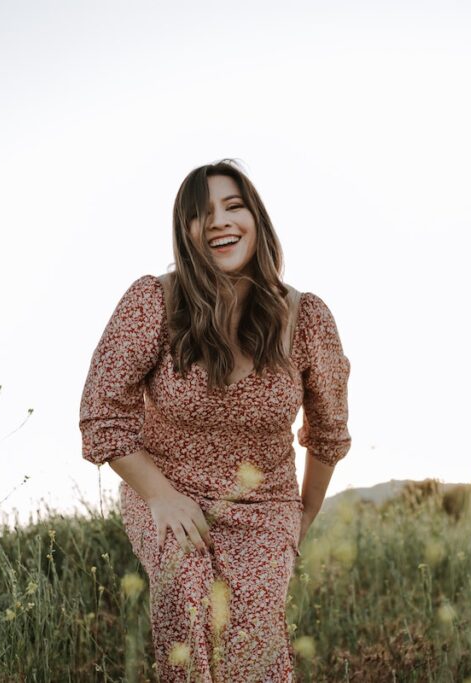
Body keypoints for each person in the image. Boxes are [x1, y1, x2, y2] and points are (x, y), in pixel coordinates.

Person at [79, 158, 351, 682]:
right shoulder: (153, 301)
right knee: (187, 597)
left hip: (265, 502)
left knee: (251, 642)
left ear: (256, 219)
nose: (220, 222)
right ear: (187, 233)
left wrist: (301, 519)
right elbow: (103, 413)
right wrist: (159, 495)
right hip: (166, 488)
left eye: (233, 206)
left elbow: (329, 431)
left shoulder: (307, 317)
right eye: (202, 214)